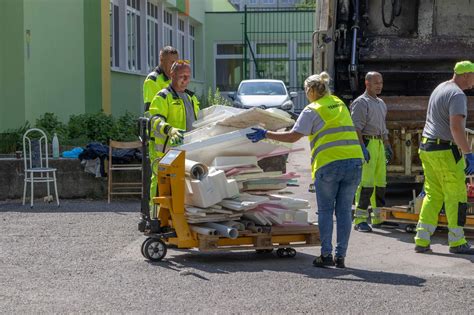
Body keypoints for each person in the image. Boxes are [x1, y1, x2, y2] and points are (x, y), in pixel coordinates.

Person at [246, 72, 363, 268]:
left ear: (309, 90)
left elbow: (293, 137)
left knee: (326, 210)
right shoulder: (338, 103)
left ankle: (326, 255)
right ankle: (340, 256)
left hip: (330, 164)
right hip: (354, 162)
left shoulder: (312, 110)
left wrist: (266, 133)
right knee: (343, 211)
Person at [414, 60, 474, 255]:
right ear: (465, 75)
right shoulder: (457, 94)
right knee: (456, 195)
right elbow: (456, 128)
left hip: (427, 147)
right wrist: (468, 154)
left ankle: (422, 239)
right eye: (473, 77)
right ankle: (457, 242)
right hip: (445, 150)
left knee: (433, 194)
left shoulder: (440, 88)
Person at [148, 60, 200, 219]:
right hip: (166, 153)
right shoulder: (163, 97)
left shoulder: (191, 97)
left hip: (188, 151)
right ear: (172, 75)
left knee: (181, 189)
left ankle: (177, 222)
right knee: (161, 187)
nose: (186, 80)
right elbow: (154, 120)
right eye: (182, 76)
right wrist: (169, 130)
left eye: (188, 76)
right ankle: (155, 219)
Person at [351, 72, 393, 232]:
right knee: (366, 183)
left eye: (381, 82)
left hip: (379, 145)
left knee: (380, 183)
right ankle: (360, 219)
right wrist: (361, 147)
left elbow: (382, 127)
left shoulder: (381, 103)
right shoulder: (361, 103)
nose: (379, 85)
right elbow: (356, 128)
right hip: (368, 143)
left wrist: (387, 144)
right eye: (376, 82)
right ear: (367, 83)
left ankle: (378, 218)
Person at [143, 46, 179, 112]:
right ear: (162, 60)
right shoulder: (153, 80)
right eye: (172, 62)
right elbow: (151, 111)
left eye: (176, 62)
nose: (175, 65)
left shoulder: (174, 78)